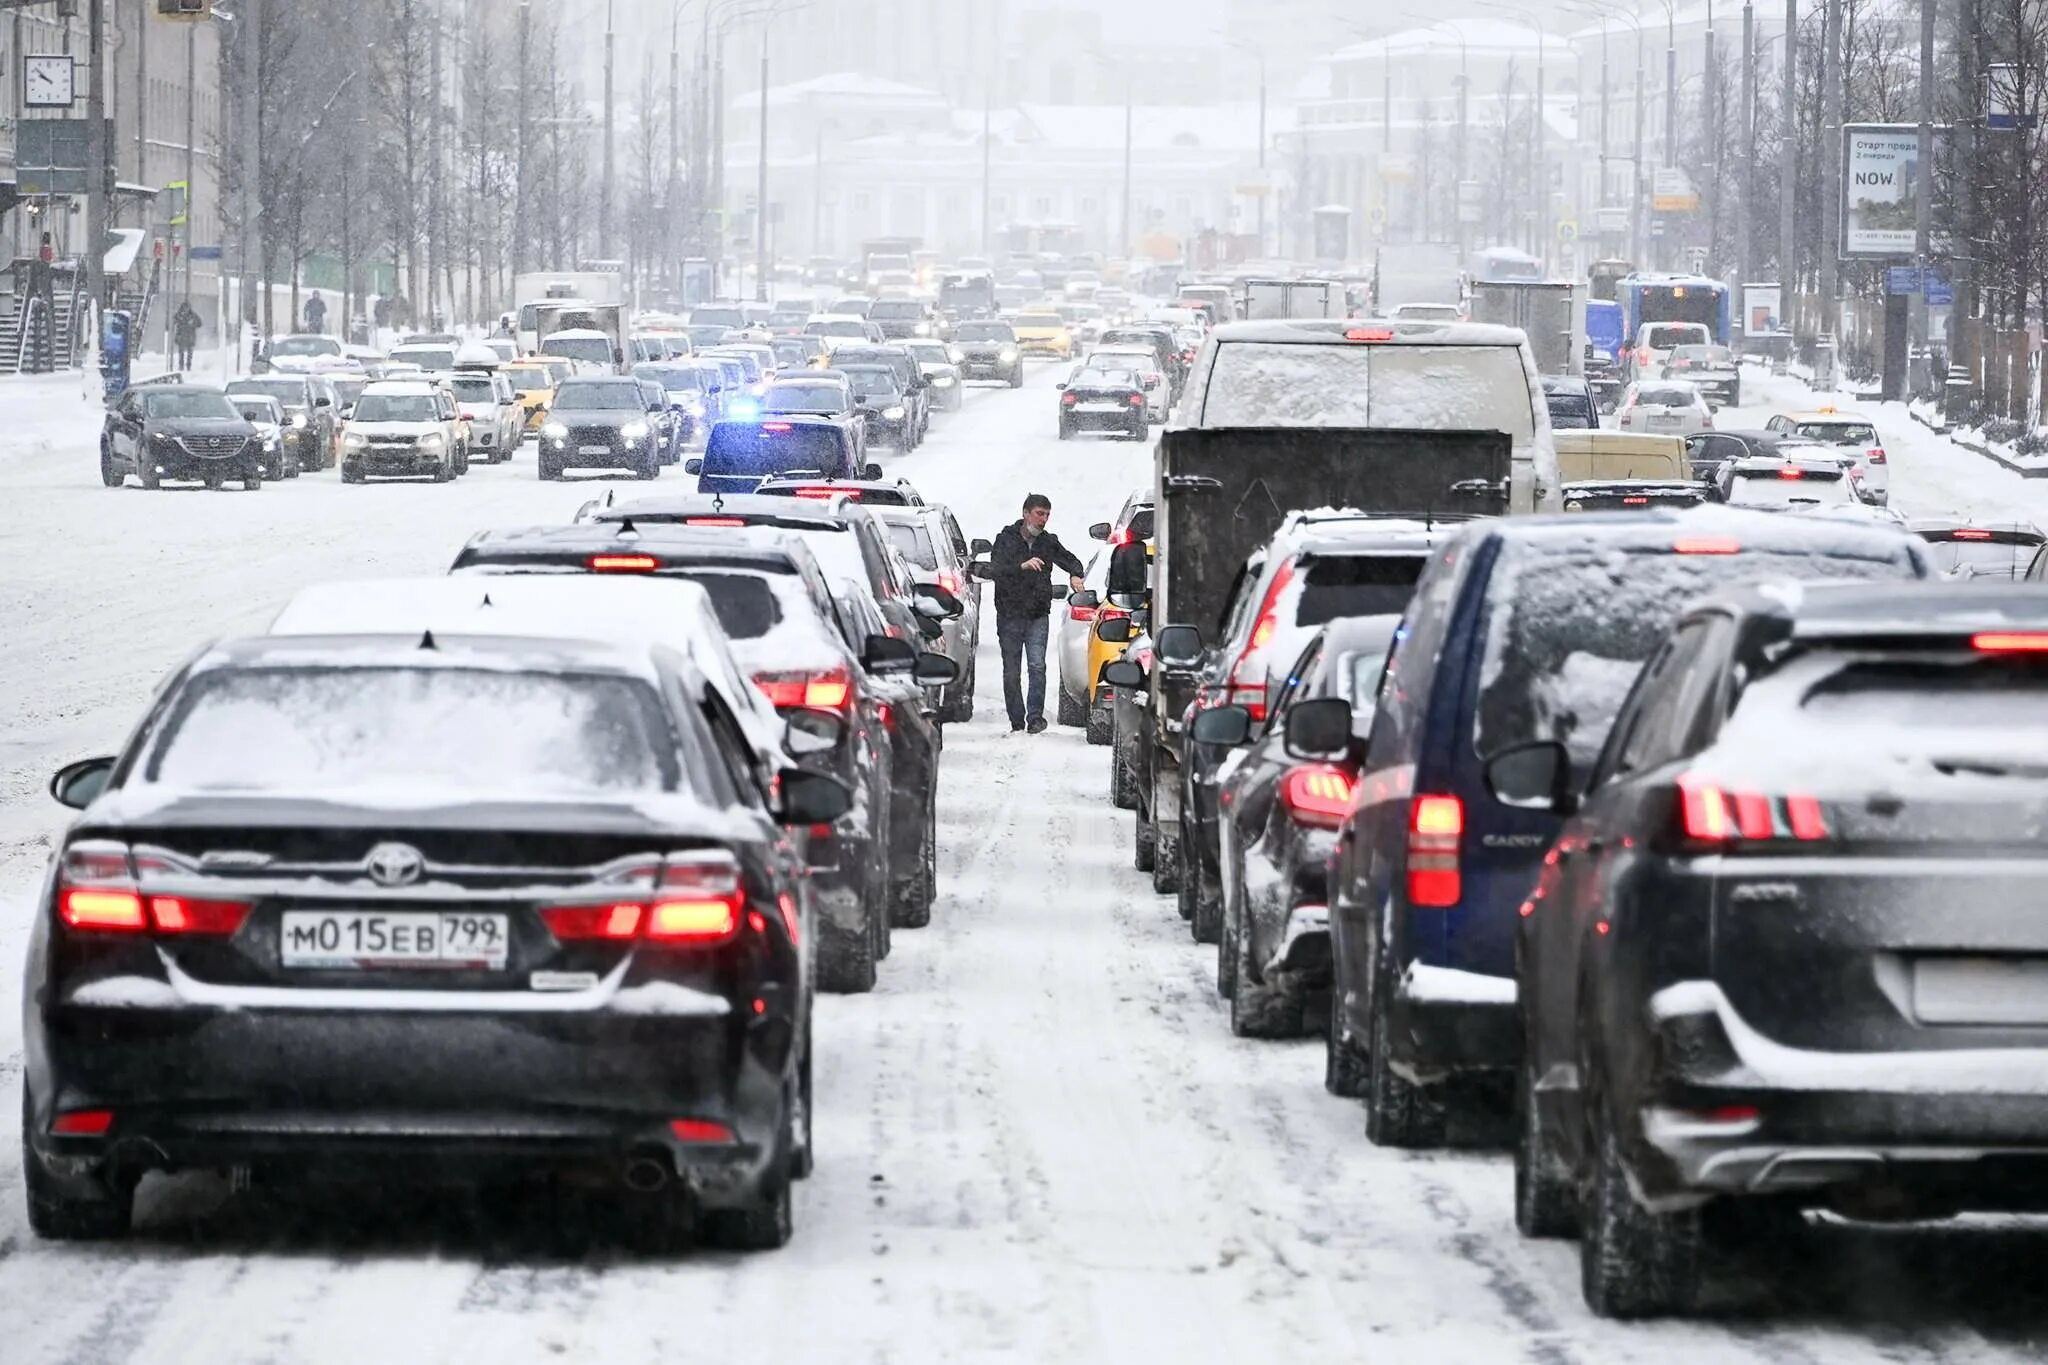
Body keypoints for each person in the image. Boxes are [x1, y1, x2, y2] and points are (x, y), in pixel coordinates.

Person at [989, 493, 1086, 734]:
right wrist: (1021, 566)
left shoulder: (1048, 542)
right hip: (1010, 613)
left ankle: (1035, 717)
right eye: (1039, 514)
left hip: (1037, 614)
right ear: (1025, 513)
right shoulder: (1005, 539)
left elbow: (1070, 559)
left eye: (1046, 515)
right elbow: (995, 569)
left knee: (1037, 666)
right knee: (1012, 669)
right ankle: (1016, 719)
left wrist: (1075, 573)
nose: (1043, 520)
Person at [171, 301, 201, 370]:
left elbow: (199, 323)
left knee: (189, 353)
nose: (186, 309)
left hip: (189, 336)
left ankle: (188, 366)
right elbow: (173, 321)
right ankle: (181, 366)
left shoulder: (193, 315)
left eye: (187, 308)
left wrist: (193, 324)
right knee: (181, 353)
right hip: (181, 336)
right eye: (184, 308)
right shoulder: (179, 315)